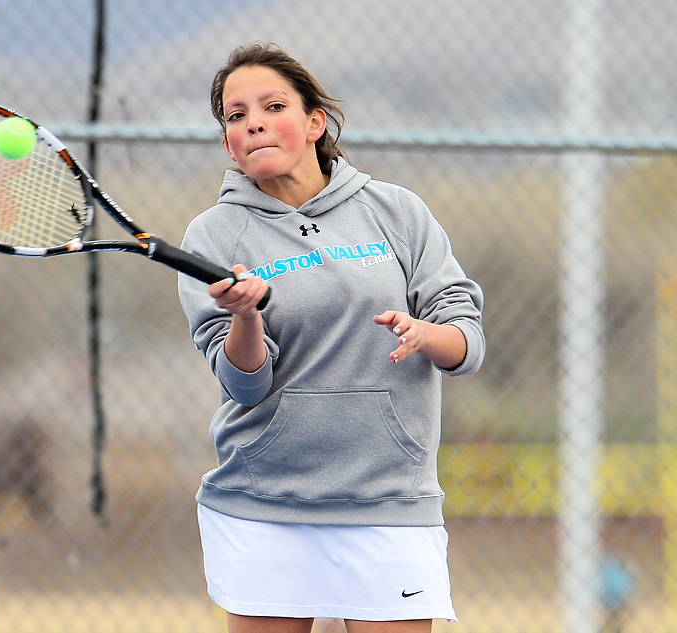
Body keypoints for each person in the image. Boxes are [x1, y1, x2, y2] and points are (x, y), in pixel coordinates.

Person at [177, 43, 485, 633]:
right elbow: (244, 382)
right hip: (265, 501)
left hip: (388, 501)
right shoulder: (214, 235)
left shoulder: (397, 212)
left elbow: (467, 343)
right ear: (228, 142)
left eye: (271, 105)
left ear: (315, 123)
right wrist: (245, 317)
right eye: (235, 115)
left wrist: (427, 333)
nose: (253, 122)